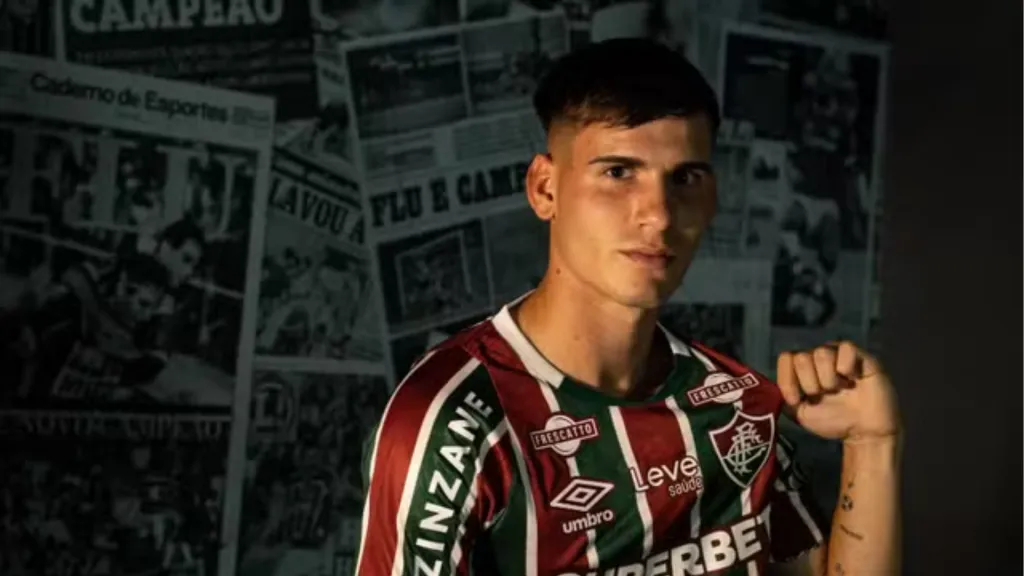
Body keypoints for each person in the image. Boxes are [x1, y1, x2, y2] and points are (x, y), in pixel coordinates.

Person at [355, 39, 900, 576]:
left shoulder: (735, 403)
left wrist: (873, 443)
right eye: (618, 173)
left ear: (712, 195)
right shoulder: (454, 419)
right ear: (545, 188)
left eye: (685, 178)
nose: (659, 216)